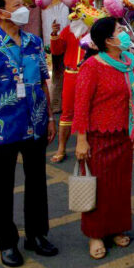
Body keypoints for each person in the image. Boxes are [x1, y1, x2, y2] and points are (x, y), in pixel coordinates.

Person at [0, 0, 58, 267]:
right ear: (0, 13)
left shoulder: (34, 43)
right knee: (1, 187)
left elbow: (43, 81)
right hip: (0, 129)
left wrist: (50, 118)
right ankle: (7, 243)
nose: (24, 9)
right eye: (17, 5)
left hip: (35, 124)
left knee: (37, 183)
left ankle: (36, 235)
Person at [73, 17, 134, 260]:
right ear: (108, 40)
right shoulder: (92, 66)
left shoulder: (128, 62)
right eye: (120, 30)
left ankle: (115, 228)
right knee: (100, 188)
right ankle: (95, 234)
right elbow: (81, 106)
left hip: (123, 134)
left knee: (119, 186)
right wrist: (81, 140)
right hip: (99, 136)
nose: (124, 32)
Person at [49, 18, 90, 163]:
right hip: (71, 75)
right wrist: (54, 33)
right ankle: (61, 148)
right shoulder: (69, 29)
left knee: (90, 110)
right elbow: (57, 50)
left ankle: (88, 145)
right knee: (67, 112)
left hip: (90, 74)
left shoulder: (96, 29)